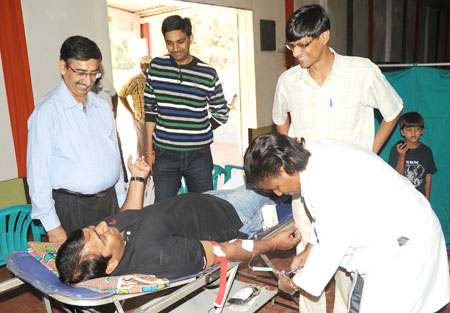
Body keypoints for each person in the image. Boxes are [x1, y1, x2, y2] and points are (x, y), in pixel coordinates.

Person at [272, 5, 404, 312]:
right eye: (291, 45)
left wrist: (369, 154)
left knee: (348, 265)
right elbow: (280, 120)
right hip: (306, 188)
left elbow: (393, 109)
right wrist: (291, 158)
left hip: (352, 187)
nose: (296, 53)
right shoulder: (288, 81)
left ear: (324, 36)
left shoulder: (361, 71)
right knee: (309, 258)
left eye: (303, 44)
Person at [244, 133, 450, 313]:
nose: (279, 193)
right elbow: (327, 217)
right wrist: (309, 249)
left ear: (284, 168)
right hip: (397, 233)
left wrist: (294, 284)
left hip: (403, 247)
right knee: (360, 301)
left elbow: (333, 244)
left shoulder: (323, 181)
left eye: (276, 186)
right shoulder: (315, 155)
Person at [55, 162, 301, 285]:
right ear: (112, 266)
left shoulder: (111, 240)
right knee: (281, 174)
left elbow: (128, 214)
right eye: (100, 236)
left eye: (94, 228)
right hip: (233, 214)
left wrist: (138, 177)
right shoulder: (162, 256)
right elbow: (224, 251)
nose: (102, 226)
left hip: (208, 200)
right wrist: (272, 244)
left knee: (264, 172)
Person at [27, 35, 127, 243]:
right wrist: (53, 226)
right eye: (81, 73)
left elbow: (114, 159)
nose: (88, 81)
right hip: (72, 209)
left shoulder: (101, 106)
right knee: (80, 273)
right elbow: (38, 175)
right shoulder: (47, 112)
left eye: (93, 73)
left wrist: (123, 202)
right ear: (63, 67)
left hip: (109, 204)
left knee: (111, 268)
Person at [144, 15, 229, 203]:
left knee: (202, 207)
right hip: (164, 154)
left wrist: (199, 127)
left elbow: (222, 113)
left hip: (199, 155)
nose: (175, 48)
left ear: (190, 38)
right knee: (163, 210)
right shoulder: (155, 68)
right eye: (170, 43)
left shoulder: (207, 73)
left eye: (180, 41)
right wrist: (149, 152)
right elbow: (149, 112)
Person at [388, 112, 436, 200]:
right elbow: (396, 176)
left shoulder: (426, 151)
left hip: (419, 197)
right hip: (400, 196)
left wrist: (427, 198)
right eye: (409, 129)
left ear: (422, 131)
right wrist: (401, 157)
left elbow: (428, 176)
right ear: (402, 132)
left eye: (417, 129)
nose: (413, 133)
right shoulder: (396, 149)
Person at [119, 55, 152, 157]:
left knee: (152, 148)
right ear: (141, 66)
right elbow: (121, 95)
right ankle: (142, 171)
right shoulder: (136, 80)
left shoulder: (154, 79)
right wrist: (131, 113)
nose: (149, 68)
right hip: (141, 119)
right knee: (143, 147)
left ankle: (152, 170)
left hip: (153, 120)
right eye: (147, 65)